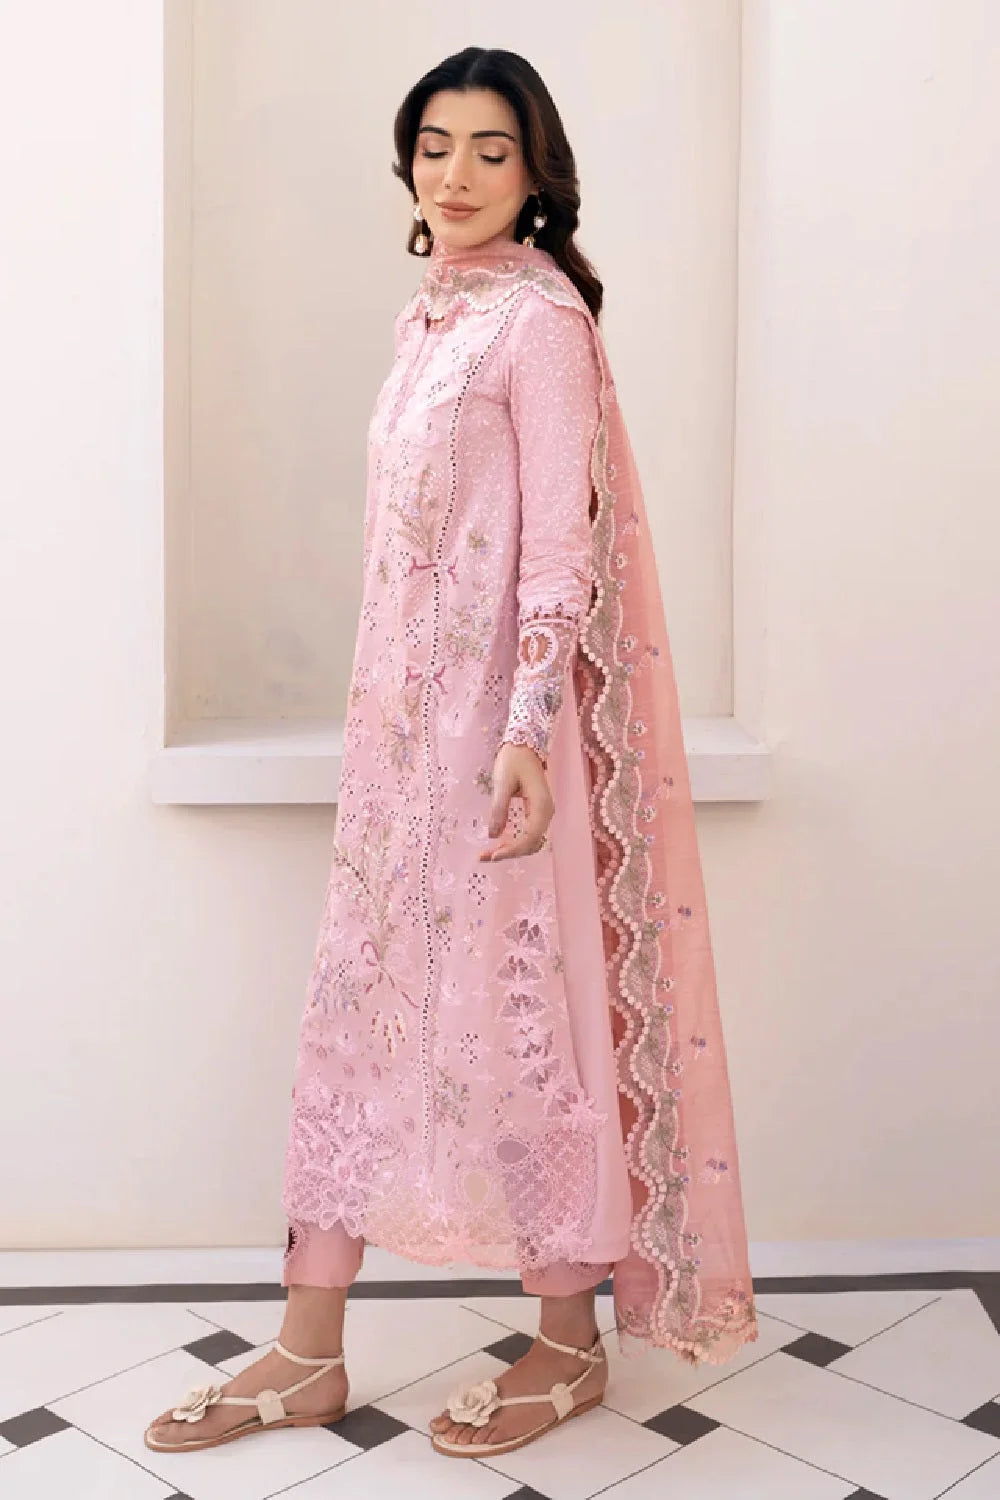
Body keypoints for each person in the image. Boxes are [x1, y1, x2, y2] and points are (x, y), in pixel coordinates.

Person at [145, 45, 757, 1463]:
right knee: (358, 1022)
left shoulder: (539, 325)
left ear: (537, 173)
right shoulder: (430, 318)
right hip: (395, 759)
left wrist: (529, 734)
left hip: (498, 753)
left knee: (517, 1027)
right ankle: (307, 1350)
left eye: (491, 149)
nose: (459, 174)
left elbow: (556, 558)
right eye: (436, 146)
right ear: (408, 164)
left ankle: (566, 1342)